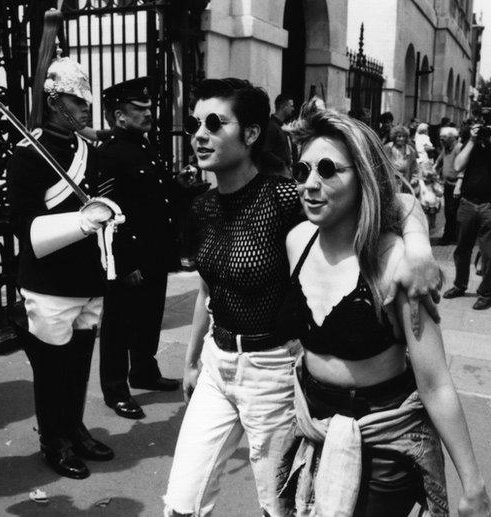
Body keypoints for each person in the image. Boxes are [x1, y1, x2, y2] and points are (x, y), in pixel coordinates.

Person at [163, 79, 441, 517]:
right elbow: (206, 288)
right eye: (195, 124)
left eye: (214, 123)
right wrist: (192, 358)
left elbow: (394, 199)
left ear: (251, 134)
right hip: (218, 364)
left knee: (280, 506)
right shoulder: (203, 206)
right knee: (181, 503)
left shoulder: (285, 196)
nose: (199, 135)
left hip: (272, 372)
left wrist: (419, 247)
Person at [275, 108, 491, 516]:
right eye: (302, 170)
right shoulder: (297, 240)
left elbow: (435, 382)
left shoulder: (396, 262)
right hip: (314, 428)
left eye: (327, 169)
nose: (310, 184)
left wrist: (473, 484)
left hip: (385, 445)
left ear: (363, 178)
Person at [6, 55, 117, 480]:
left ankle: (74, 427)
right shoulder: (28, 153)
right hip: (49, 282)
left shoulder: (89, 151)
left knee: (79, 364)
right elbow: (25, 227)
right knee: (52, 370)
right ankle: (53, 438)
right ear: (55, 103)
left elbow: (106, 198)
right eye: (77, 101)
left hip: (88, 278)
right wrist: (80, 221)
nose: (85, 109)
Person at [96, 77, 182, 420]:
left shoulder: (144, 146)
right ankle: (115, 389)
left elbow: (154, 196)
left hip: (154, 250)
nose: (150, 114)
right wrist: (124, 261)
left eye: (150, 108)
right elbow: (105, 213)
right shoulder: (111, 154)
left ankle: (144, 371)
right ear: (119, 116)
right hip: (128, 256)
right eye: (140, 109)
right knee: (119, 323)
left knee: (149, 317)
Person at [442, 119, 491, 310]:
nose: (484, 131)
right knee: (462, 249)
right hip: (468, 203)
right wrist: (472, 141)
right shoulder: (470, 143)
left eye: (489, 128)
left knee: (490, 254)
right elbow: (457, 166)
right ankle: (460, 285)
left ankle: (485, 293)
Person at [435, 126, 462, 245]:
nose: (441, 141)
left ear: (451, 138)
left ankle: (450, 236)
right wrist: (434, 169)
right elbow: (439, 161)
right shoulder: (446, 148)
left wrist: (458, 186)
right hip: (447, 184)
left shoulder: (458, 148)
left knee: (453, 212)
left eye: (444, 139)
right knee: (448, 212)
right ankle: (451, 235)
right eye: (441, 139)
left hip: (456, 185)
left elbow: (463, 167)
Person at [385, 124, 419, 192]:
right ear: (394, 137)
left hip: (405, 185)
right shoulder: (387, 148)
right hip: (389, 184)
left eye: (404, 136)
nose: (402, 138)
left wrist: (414, 179)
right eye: (399, 136)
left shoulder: (410, 151)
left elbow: (415, 168)